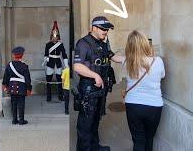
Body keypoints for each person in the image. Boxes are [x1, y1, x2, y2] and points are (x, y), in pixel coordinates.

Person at [73, 16, 124, 151]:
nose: (106, 32)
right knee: (85, 123)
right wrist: (95, 75)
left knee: (95, 120)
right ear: (94, 28)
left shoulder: (104, 42)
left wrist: (129, 58)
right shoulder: (83, 43)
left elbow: (112, 56)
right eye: (103, 29)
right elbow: (77, 66)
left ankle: (94, 147)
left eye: (107, 29)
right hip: (88, 89)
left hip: (101, 89)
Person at [122, 30, 165, 151]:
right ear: (145, 43)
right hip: (154, 105)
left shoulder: (127, 62)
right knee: (149, 138)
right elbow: (162, 76)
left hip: (133, 105)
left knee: (138, 140)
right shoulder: (158, 61)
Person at [2, 46, 32, 125]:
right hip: (21, 87)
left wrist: (5, 85)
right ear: (22, 55)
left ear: (14, 55)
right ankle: (21, 120)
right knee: (21, 104)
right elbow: (27, 79)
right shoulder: (24, 66)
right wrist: (29, 88)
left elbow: (6, 76)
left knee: (13, 104)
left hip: (12, 86)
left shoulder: (10, 64)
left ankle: (14, 120)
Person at [43, 21, 68, 102]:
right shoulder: (48, 44)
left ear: (58, 37)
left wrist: (66, 65)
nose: (55, 38)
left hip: (58, 63)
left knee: (59, 81)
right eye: (53, 36)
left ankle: (60, 95)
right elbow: (46, 54)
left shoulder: (60, 44)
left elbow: (64, 54)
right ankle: (48, 96)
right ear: (51, 37)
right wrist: (46, 59)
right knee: (49, 81)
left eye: (56, 36)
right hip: (50, 63)